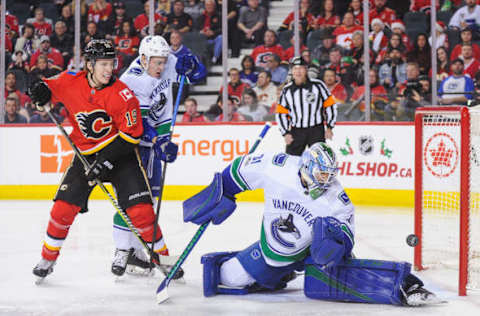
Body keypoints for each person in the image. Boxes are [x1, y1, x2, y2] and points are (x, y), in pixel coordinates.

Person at [185, 142, 440, 306]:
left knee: (342, 270)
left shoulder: (337, 200)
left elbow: (347, 234)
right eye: (321, 173)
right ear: (307, 165)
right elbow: (241, 168)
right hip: (270, 251)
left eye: (330, 175)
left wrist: (333, 246)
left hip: (312, 255)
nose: (326, 180)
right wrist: (223, 193)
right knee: (227, 277)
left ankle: (403, 284)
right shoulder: (278, 168)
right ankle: (278, 275)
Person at [29, 39, 173, 282]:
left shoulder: (122, 94)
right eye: (104, 64)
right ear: (89, 64)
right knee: (62, 209)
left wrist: (106, 161)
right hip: (86, 156)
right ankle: (47, 259)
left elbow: (132, 135)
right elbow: (44, 87)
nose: (109, 69)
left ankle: (165, 259)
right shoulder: (70, 81)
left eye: (112, 63)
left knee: (142, 213)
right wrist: (38, 91)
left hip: (121, 155)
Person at [116, 35, 205, 276]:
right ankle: (124, 250)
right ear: (143, 59)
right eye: (157, 63)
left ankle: (137, 252)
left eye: (164, 62)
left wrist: (193, 64)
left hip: (156, 137)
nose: (162, 68)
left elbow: (198, 75)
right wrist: (159, 141)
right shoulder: (133, 81)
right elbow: (139, 124)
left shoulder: (162, 61)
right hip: (134, 142)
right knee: (133, 198)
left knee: (150, 200)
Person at [276, 57, 337, 156]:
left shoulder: (318, 86)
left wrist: (330, 127)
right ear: (292, 71)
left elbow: (330, 106)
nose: (298, 71)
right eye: (295, 68)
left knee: (320, 160)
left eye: (301, 68)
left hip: (316, 130)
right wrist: (285, 133)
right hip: (296, 131)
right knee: (291, 161)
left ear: (306, 69)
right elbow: (281, 113)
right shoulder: (287, 90)